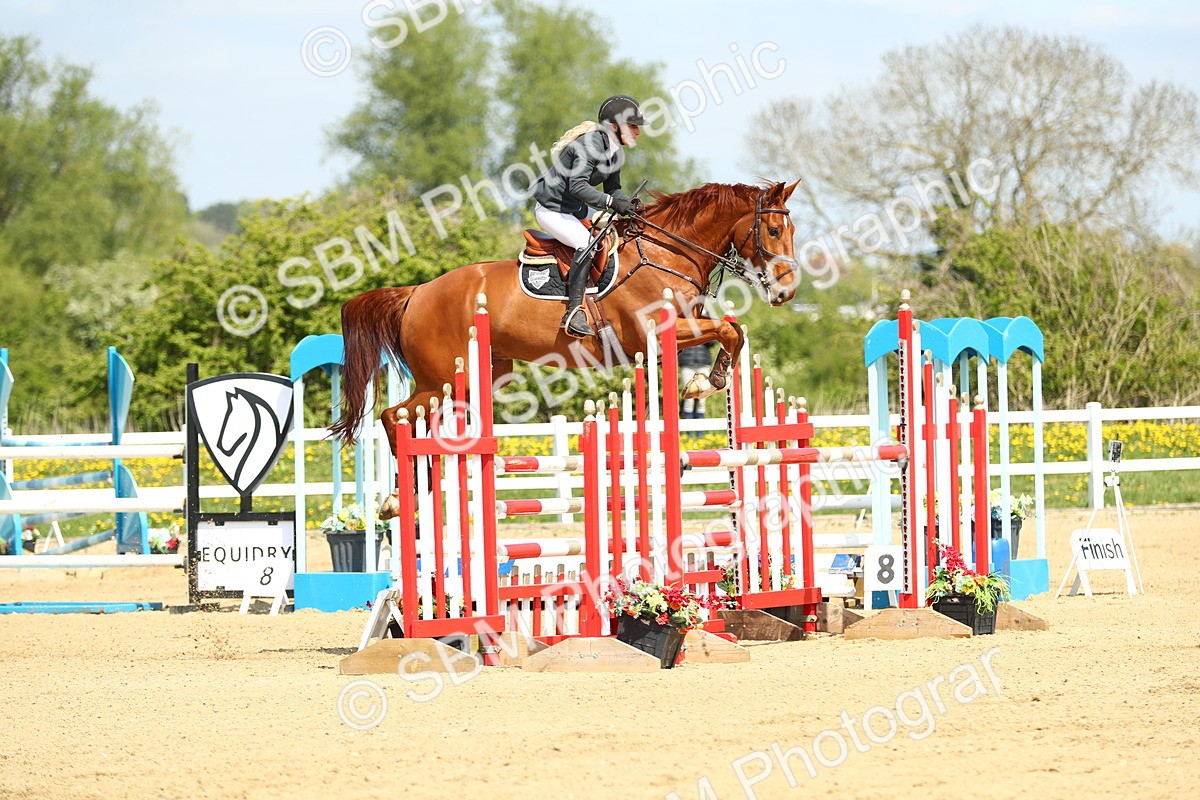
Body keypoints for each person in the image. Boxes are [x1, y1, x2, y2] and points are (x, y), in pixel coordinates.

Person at [530, 95, 644, 338]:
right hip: (552, 209)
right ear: (615, 126)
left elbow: (612, 190)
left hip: (573, 209)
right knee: (586, 243)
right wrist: (613, 203)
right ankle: (572, 313)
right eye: (633, 126)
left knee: (617, 229)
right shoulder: (589, 145)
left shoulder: (613, 152)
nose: (637, 132)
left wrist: (626, 203)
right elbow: (578, 187)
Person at [678, 342, 715, 419]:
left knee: (702, 398)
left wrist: (703, 335)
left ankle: (699, 430)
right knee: (688, 397)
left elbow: (713, 342)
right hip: (687, 364)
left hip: (703, 363)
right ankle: (689, 429)